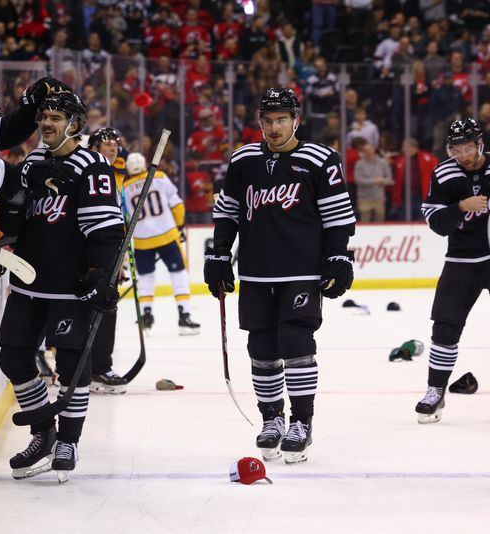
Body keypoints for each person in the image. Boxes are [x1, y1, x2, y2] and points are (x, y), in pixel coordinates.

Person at [204, 88, 356, 464]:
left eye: (281, 120)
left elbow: (337, 215)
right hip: (256, 272)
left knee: (295, 340)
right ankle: (271, 418)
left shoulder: (320, 160)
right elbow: (227, 212)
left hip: (302, 270)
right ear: (260, 122)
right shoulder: (243, 160)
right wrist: (219, 253)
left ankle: (301, 423)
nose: (274, 128)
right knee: (262, 347)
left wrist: (339, 257)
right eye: (267, 120)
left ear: (296, 121)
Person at [0, 92, 124, 481]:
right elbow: (16, 218)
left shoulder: (93, 165)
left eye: (55, 117)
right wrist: (11, 209)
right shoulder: (34, 160)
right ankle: (43, 431)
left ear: (75, 123)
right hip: (29, 281)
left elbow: (106, 230)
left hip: (69, 287)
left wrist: (100, 273)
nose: (46, 123)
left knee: (71, 365)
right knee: (13, 357)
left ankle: (68, 440)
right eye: (43, 117)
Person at [416, 118, 490, 424]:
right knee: (444, 327)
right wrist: (461, 206)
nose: (463, 155)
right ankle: (435, 391)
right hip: (461, 260)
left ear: (480, 144)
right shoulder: (444, 172)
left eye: (468, 148)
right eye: (456, 149)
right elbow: (434, 219)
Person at [124, 152, 200, 335]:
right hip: (167, 236)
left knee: (146, 279)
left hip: (142, 241)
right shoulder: (158, 177)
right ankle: (184, 317)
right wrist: (179, 227)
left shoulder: (124, 187)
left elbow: (124, 219)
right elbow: (177, 205)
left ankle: (146, 319)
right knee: (179, 275)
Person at [86, 127, 129, 394]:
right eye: (106, 144)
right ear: (94, 148)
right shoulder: (93, 174)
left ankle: (98, 366)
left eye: (115, 144)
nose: (112, 148)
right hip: (92, 255)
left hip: (107, 254)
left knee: (106, 308)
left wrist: (119, 259)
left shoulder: (113, 178)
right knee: (97, 309)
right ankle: (95, 368)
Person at [354, 142, 393, 222]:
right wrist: (374, 181)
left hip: (379, 198)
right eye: (366, 150)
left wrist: (383, 181)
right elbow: (358, 180)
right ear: (363, 152)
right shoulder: (359, 164)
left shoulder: (382, 163)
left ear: (373, 150)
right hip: (364, 199)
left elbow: (389, 178)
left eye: (370, 149)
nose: (368, 152)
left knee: (379, 223)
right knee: (365, 223)